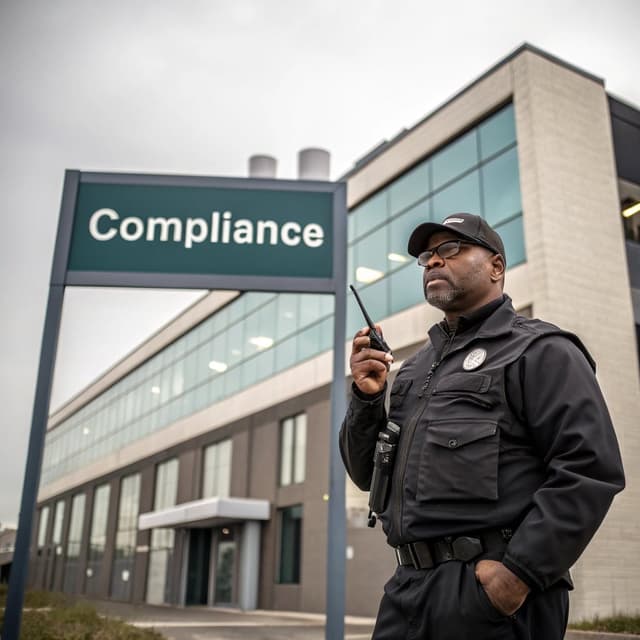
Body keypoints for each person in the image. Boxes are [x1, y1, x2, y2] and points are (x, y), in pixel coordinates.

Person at [340, 212, 625, 640]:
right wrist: (366, 399)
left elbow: (589, 470)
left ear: (496, 266)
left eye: (451, 248)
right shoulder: (414, 370)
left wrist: (516, 576)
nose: (434, 261)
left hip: (491, 595)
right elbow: (367, 476)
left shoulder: (540, 350)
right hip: (407, 591)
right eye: (426, 257)